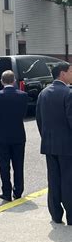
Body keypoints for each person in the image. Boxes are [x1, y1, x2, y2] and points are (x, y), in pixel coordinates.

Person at [36, 62, 72, 225]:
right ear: (62, 74)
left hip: (49, 145)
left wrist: (46, 137)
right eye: (71, 71)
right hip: (67, 146)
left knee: (54, 180)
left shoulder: (43, 93)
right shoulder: (68, 93)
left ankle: (56, 215)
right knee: (68, 181)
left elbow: (39, 120)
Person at [0, 70, 28, 202]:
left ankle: (6, 191)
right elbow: (23, 114)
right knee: (18, 164)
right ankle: (18, 191)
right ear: (14, 81)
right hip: (18, 134)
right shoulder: (23, 96)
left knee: (4, 165)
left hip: (2, 136)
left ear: (1, 81)